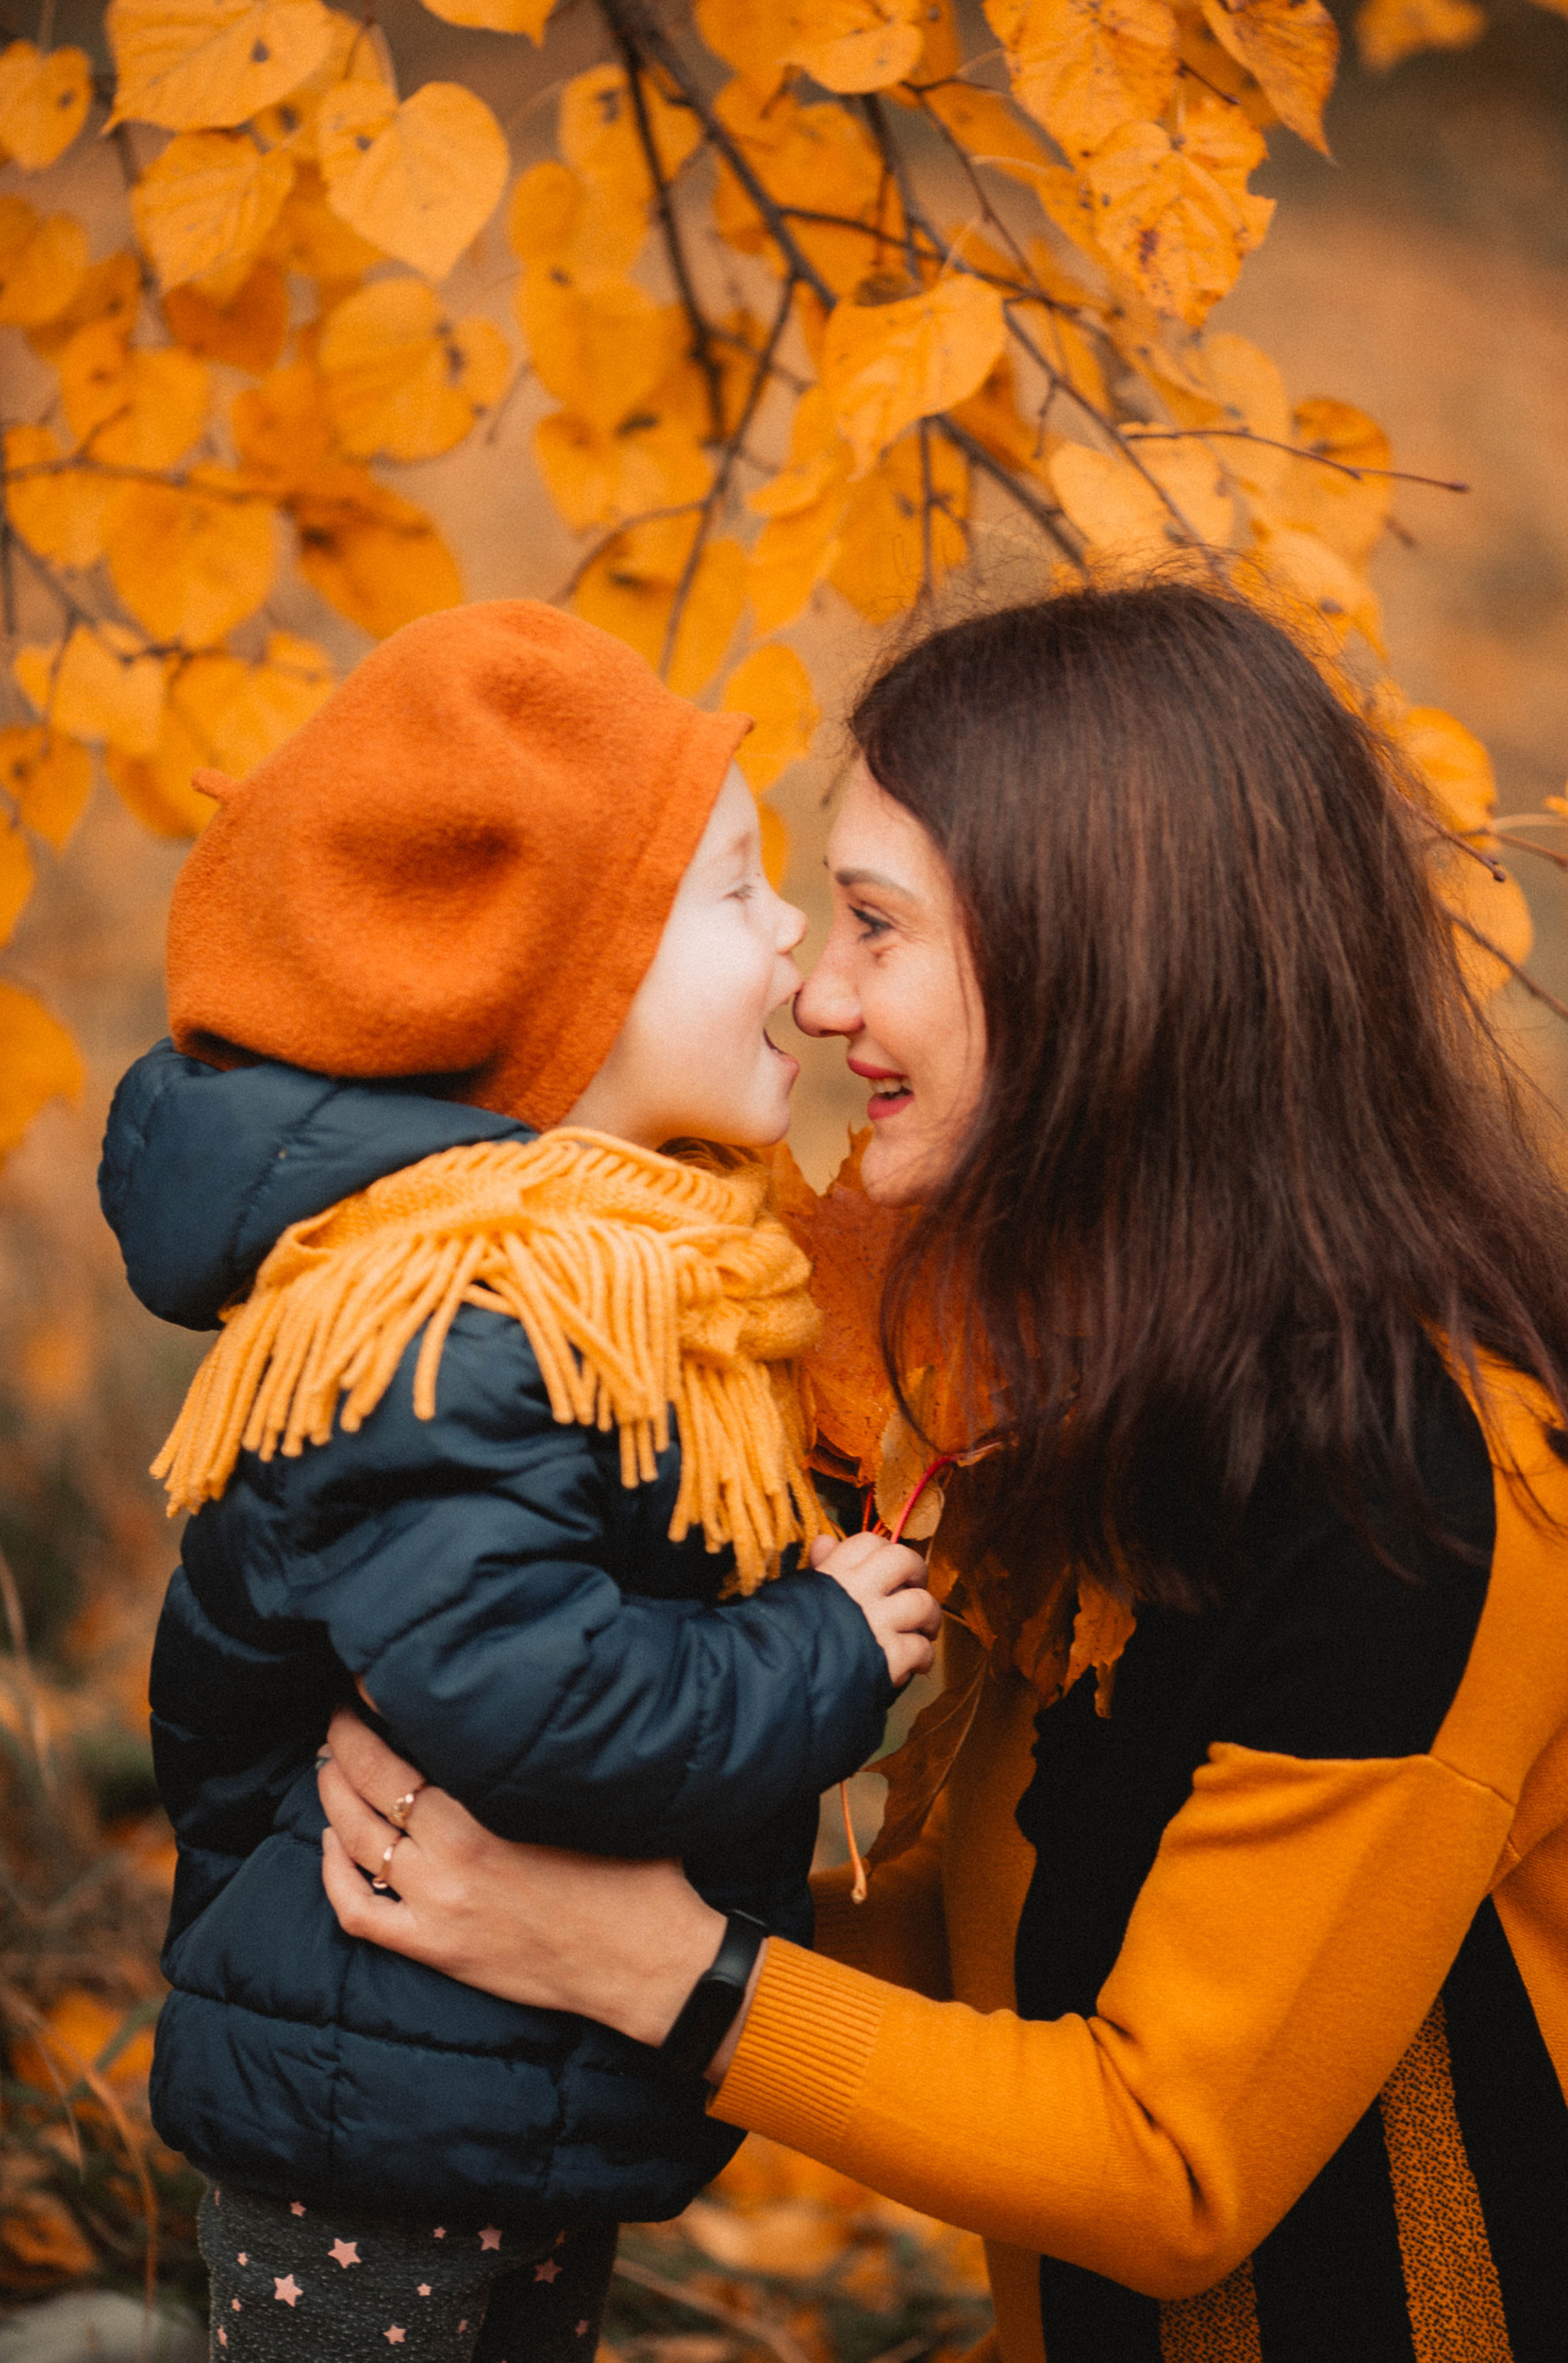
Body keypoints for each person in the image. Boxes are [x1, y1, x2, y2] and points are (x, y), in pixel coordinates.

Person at [318, 581, 1568, 2363]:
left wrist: (634, 1960)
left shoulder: (1427, 1493)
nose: (818, 995)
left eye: (875, 922)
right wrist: (521, 1907)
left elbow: (1167, 2155)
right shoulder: (1094, 1382)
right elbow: (958, 1951)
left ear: (1100, 960)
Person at [99, 601, 939, 2363]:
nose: (793, 939)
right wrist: (824, 1655)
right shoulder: (456, 1321)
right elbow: (539, 1697)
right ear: (564, 985)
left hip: (493, 2077)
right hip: (371, 2118)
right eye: (734, 892)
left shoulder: (635, 1269)